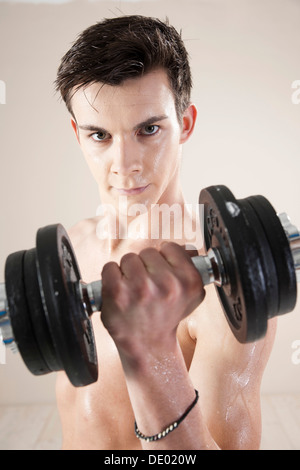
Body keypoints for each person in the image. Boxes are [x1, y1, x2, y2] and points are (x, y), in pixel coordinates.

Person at [54, 15, 276, 450]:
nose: (124, 163)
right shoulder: (75, 248)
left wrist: (153, 354)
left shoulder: (221, 287)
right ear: (78, 135)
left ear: (186, 124)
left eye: (148, 129)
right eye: (99, 135)